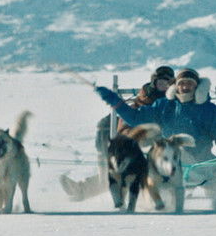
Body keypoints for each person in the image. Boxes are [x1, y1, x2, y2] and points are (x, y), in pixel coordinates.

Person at [92, 67, 216, 203]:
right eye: (181, 83)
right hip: (168, 164)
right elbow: (135, 118)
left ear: (197, 87)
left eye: (190, 83)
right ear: (175, 86)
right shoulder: (163, 105)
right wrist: (114, 101)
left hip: (200, 165)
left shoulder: (210, 111)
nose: (185, 87)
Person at [59, 66, 175, 201]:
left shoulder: (173, 102)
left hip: (161, 149)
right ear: (154, 83)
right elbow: (129, 123)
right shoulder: (142, 101)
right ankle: (87, 186)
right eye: (160, 82)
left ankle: (83, 189)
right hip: (137, 143)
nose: (163, 86)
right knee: (108, 132)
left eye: (167, 83)